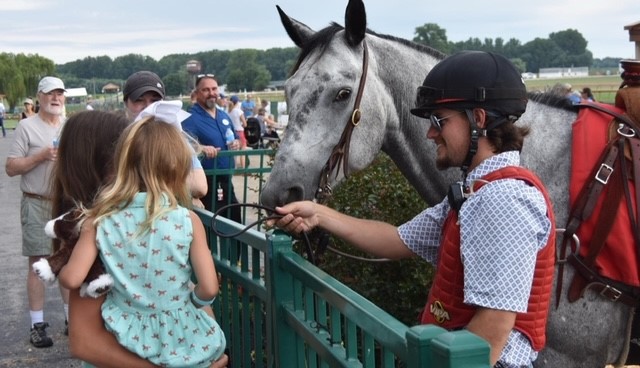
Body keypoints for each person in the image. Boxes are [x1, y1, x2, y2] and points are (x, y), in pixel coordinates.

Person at [271, 51, 556, 368]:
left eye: (439, 120)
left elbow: (493, 329)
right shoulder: (476, 192)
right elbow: (397, 239)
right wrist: (318, 214)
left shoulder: (502, 201)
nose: (431, 133)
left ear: (479, 119)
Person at [51, 111, 230, 367]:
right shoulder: (187, 220)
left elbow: (71, 279)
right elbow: (209, 288)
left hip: (128, 340)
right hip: (185, 344)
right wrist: (192, 305)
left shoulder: (97, 224)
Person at [5, 76, 70, 348]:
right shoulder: (25, 127)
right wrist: (40, 156)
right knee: (38, 263)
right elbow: (11, 168)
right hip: (36, 201)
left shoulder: (69, 126)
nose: (55, 98)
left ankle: (71, 320)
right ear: (39, 97)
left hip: (66, 204)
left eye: (59, 94)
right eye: (49, 94)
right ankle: (36, 324)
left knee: (67, 259)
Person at [122, 71, 207, 207]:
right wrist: (176, 184)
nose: (148, 106)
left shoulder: (176, 137)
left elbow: (199, 186)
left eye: (154, 101)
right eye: (139, 100)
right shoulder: (116, 137)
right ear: (126, 103)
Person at [181, 75, 242, 222]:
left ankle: (234, 246)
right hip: (205, 182)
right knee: (209, 225)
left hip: (226, 178)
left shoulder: (223, 115)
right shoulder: (190, 118)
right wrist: (201, 148)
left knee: (235, 218)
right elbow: (182, 144)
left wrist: (237, 143)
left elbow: (235, 137)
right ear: (197, 93)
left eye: (214, 89)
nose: (212, 93)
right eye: (206, 90)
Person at [228, 95, 247, 168]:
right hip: (240, 131)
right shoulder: (239, 111)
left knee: (234, 153)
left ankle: (234, 167)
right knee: (243, 152)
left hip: (232, 132)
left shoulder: (229, 112)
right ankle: (243, 169)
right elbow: (245, 124)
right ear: (237, 102)